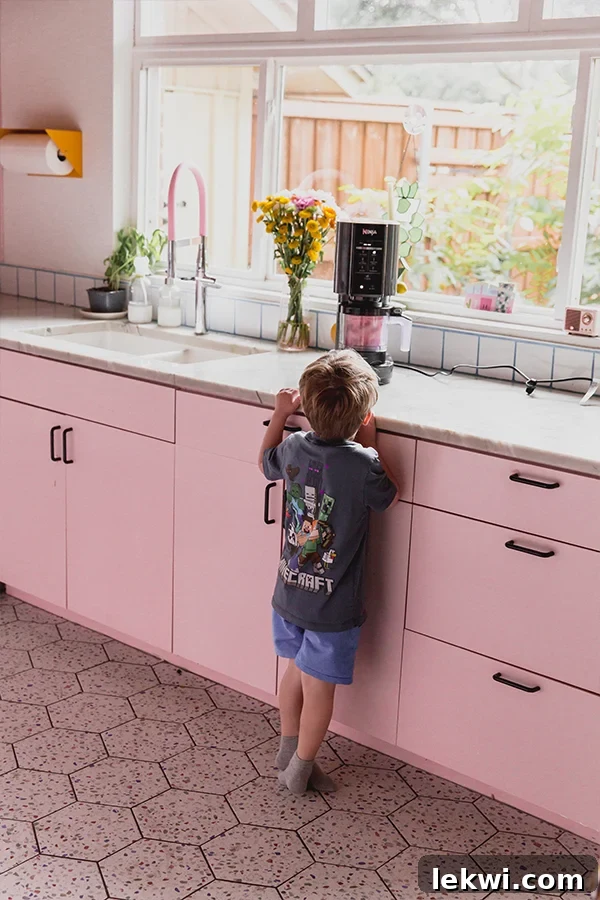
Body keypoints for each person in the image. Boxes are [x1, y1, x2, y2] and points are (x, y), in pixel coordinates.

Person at [258, 349, 399, 795]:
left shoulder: (295, 445)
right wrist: (371, 443)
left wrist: (280, 415)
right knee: (320, 690)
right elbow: (387, 496)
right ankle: (301, 768)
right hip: (332, 606)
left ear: (307, 404)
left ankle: (287, 748)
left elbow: (266, 463)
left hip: (289, 593)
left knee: (296, 671)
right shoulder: (363, 463)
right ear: (362, 417)